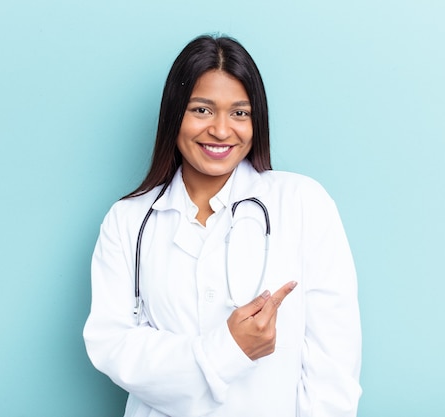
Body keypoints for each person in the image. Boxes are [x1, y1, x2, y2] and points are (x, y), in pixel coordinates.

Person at [83, 34, 362, 417]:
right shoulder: (129, 220)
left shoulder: (302, 203)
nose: (220, 130)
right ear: (174, 114)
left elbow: (334, 363)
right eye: (201, 110)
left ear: (255, 121)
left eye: (239, 113)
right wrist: (227, 350)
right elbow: (112, 346)